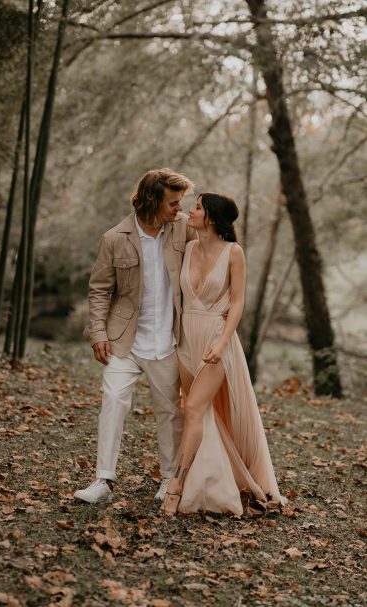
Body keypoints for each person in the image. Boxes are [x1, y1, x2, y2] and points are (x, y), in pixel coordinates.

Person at [74, 168, 196, 505]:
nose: (178, 208)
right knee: (112, 403)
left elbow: (214, 251)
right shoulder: (114, 238)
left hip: (169, 341)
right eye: (173, 202)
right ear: (153, 200)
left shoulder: (184, 228)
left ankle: (169, 479)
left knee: (170, 413)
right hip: (123, 342)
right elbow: (99, 290)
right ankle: (103, 481)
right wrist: (98, 332)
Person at [162, 192, 287, 515]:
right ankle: (210, 478)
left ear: (213, 218)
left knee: (193, 409)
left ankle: (176, 485)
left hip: (216, 339)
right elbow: (168, 218)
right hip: (186, 338)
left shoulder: (234, 253)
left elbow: (237, 303)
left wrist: (221, 343)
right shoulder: (189, 247)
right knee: (197, 412)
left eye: (198, 207)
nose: (191, 210)